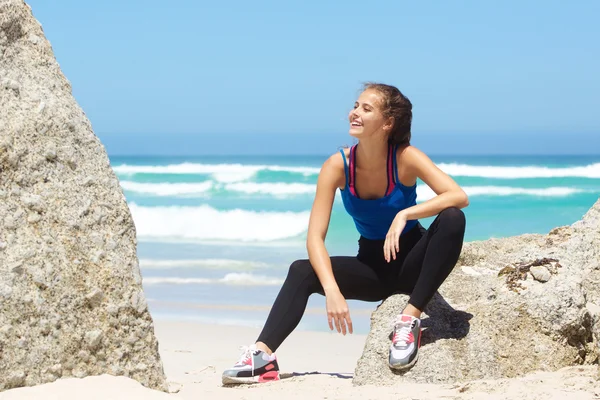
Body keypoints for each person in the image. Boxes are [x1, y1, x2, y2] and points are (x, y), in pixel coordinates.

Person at [221, 83, 468, 384]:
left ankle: (409, 318)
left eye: (367, 108)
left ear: (388, 123)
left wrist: (405, 213)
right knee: (301, 270)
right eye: (355, 106)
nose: (355, 113)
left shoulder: (405, 157)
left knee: (453, 218)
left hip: (412, 264)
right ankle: (262, 357)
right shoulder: (338, 166)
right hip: (373, 269)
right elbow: (315, 238)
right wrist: (332, 290)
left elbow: (457, 195)